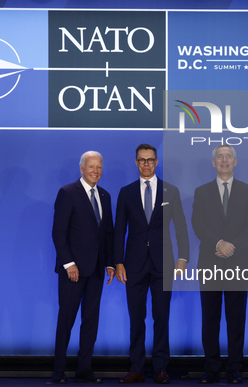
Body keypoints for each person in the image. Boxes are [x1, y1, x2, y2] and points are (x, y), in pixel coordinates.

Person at [114, 144, 189, 384]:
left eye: (150, 160)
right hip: (133, 265)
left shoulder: (171, 190)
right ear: (136, 163)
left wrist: (183, 257)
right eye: (142, 160)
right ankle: (136, 368)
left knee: (161, 317)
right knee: (136, 318)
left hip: (163, 264)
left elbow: (181, 227)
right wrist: (118, 261)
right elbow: (119, 231)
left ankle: (160, 368)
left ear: (157, 162)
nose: (146, 164)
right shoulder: (126, 192)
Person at [191, 145, 248, 384]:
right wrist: (219, 243)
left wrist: (233, 247)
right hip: (209, 262)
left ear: (235, 162)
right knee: (210, 318)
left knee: (236, 318)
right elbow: (198, 225)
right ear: (213, 163)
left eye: (228, 156)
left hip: (238, 263)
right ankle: (211, 367)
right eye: (219, 157)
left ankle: (234, 367)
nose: (224, 160)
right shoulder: (201, 192)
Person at [51, 151, 115, 384]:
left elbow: (108, 233)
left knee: (91, 321)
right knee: (66, 319)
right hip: (73, 271)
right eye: (91, 167)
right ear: (81, 168)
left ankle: (84, 369)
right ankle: (59, 370)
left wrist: (109, 263)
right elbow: (58, 233)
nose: (95, 171)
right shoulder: (68, 193)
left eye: (99, 167)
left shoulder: (105, 196)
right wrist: (69, 263)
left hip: (97, 270)